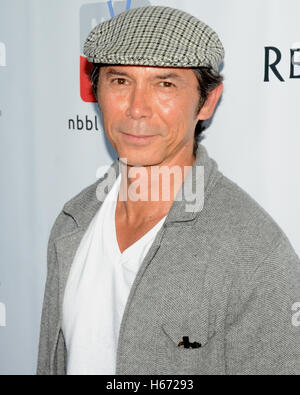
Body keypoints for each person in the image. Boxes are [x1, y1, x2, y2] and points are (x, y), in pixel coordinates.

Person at [37, 6, 300, 375]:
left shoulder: (254, 252)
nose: (137, 109)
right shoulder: (72, 223)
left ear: (207, 101)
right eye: (120, 80)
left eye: (165, 84)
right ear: (97, 90)